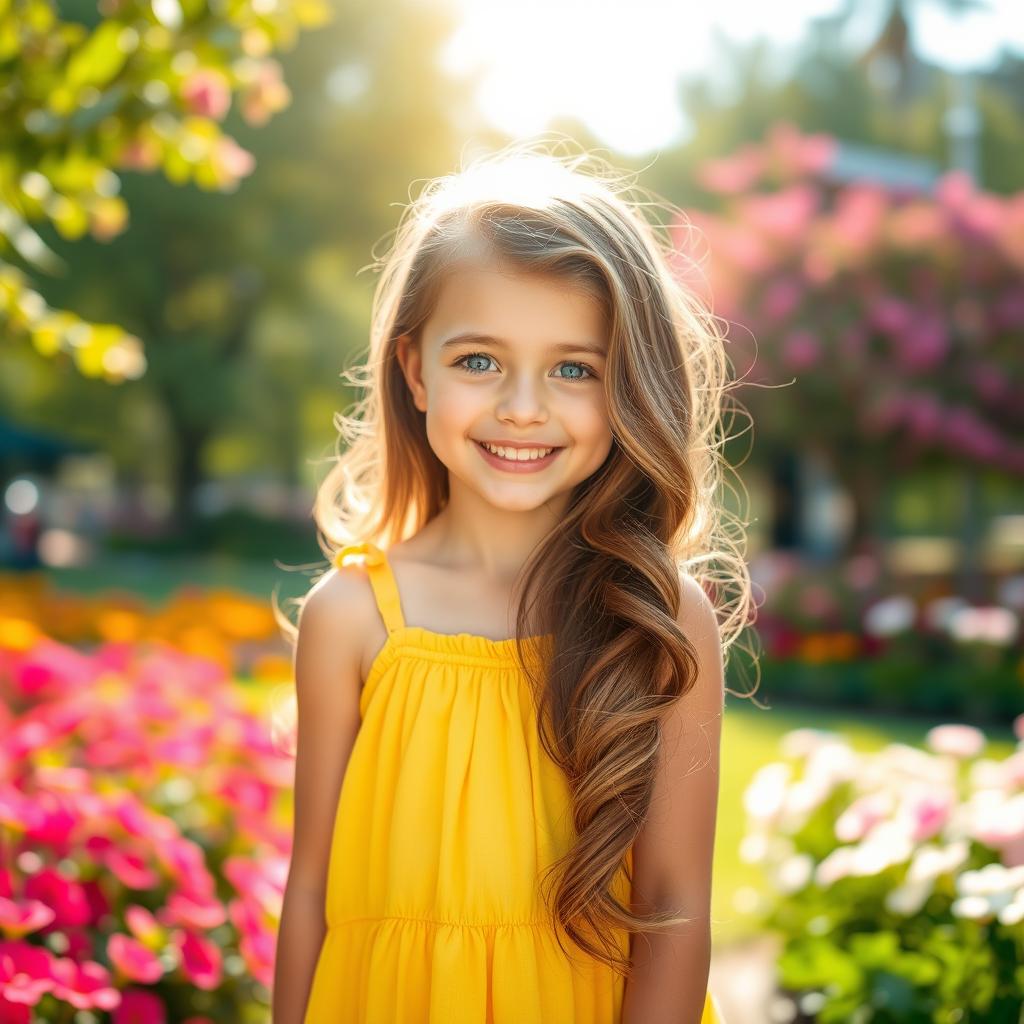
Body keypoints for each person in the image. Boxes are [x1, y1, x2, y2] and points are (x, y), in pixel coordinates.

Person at [273, 139, 751, 1024]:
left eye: (574, 369)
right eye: (479, 361)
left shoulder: (660, 620)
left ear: (627, 388)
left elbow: (677, 913)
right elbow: (311, 892)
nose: (522, 406)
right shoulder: (351, 620)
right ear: (416, 370)